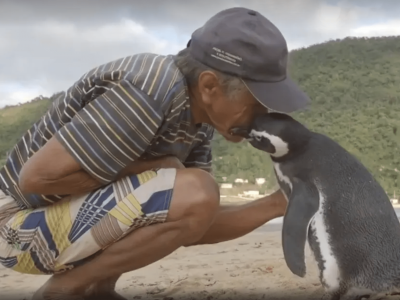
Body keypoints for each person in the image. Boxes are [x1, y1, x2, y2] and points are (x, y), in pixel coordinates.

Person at [0, 7, 310, 300]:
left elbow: (191, 222)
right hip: (14, 228)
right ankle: (64, 290)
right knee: (194, 187)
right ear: (209, 86)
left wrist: (276, 204)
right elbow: (36, 180)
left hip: (54, 225)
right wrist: (154, 167)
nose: (263, 114)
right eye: (256, 102)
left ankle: (96, 289)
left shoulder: (197, 121)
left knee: (195, 191)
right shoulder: (147, 90)